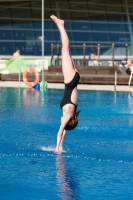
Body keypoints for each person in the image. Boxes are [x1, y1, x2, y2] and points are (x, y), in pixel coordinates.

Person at [50, 15, 81, 154]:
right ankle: (61, 25)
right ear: (68, 121)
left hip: (74, 79)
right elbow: (60, 131)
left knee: (67, 51)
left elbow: (64, 132)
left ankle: (60, 27)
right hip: (70, 80)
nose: (61, 121)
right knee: (65, 49)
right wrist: (57, 148)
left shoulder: (70, 114)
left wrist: (62, 145)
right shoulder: (68, 115)